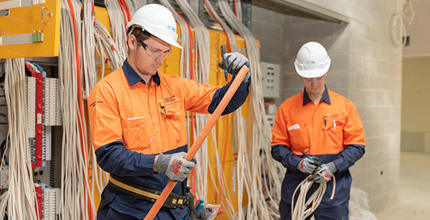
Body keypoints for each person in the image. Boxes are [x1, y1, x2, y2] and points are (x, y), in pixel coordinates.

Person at [88, 4, 251, 220]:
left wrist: (242, 77)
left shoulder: (174, 87)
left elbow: (222, 102)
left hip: (175, 210)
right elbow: (109, 156)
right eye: (155, 50)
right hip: (130, 210)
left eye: (166, 52)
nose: (160, 59)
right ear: (132, 42)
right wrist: (158, 163)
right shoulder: (108, 91)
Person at [271, 41, 365, 220]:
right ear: (300, 75)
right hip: (297, 189)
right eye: (308, 78)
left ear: (326, 71)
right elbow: (277, 148)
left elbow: (357, 147)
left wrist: (333, 166)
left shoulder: (345, 106)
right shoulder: (287, 108)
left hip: (333, 193)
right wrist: (298, 163)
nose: (314, 83)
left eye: (318, 77)